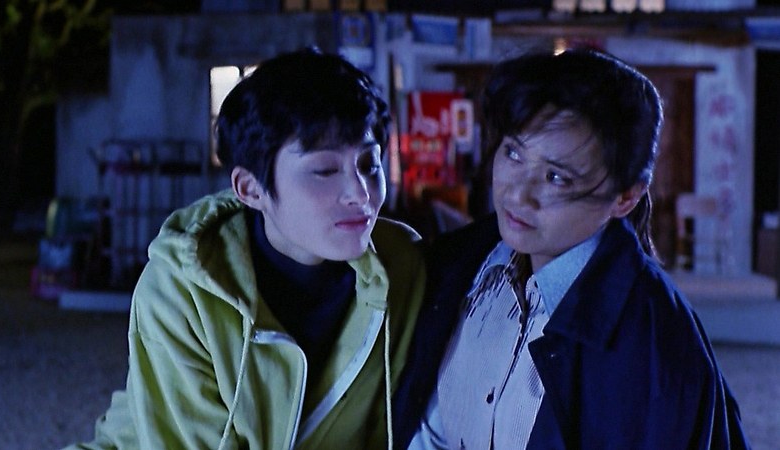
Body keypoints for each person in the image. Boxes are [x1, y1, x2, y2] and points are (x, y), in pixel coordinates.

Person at [65, 48, 425, 449]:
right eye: (325, 171)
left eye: (370, 165)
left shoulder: (401, 267)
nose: (360, 193)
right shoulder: (182, 288)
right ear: (250, 189)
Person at [393, 49, 751, 449]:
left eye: (556, 177)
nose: (518, 194)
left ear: (625, 198)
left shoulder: (655, 340)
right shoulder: (456, 265)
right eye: (513, 153)